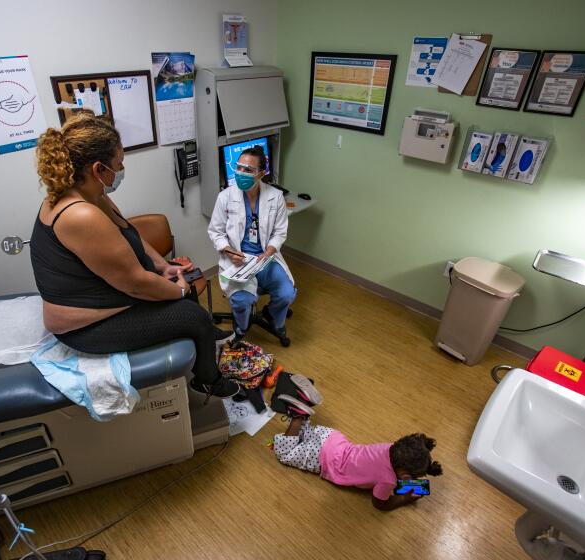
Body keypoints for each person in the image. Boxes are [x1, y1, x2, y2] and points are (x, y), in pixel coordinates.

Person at [30, 114, 238, 398]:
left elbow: (127, 229)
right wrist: (176, 290)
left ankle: (204, 340)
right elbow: (136, 284)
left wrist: (164, 266)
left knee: (183, 276)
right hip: (85, 325)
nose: (122, 168)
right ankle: (208, 380)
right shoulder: (79, 214)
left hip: (106, 294)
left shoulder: (89, 194)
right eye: (118, 164)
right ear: (98, 169)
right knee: (192, 314)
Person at [273, 382, 443, 511]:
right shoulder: (387, 481)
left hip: (332, 438)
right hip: (323, 458)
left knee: (304, 436)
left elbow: (383, 468)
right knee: (285, 453)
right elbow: (380, 504)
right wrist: (404, 499)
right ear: (405, 475)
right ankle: (297, 416)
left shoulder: (391, 447)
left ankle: (304, 407)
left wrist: (405, 478)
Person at [207, 146, 296, 341]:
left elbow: (280, 232)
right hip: (237, 260)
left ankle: (273, 316)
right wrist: (229, 251)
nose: (241, 173)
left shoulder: (275, 197)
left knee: (287, 293)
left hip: (265, 258)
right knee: (242, 300)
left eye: (248, 170)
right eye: (238, 167)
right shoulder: (225, 197)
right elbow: (215, 231)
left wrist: (269, 251)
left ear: (261, 174)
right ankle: (241, 325)